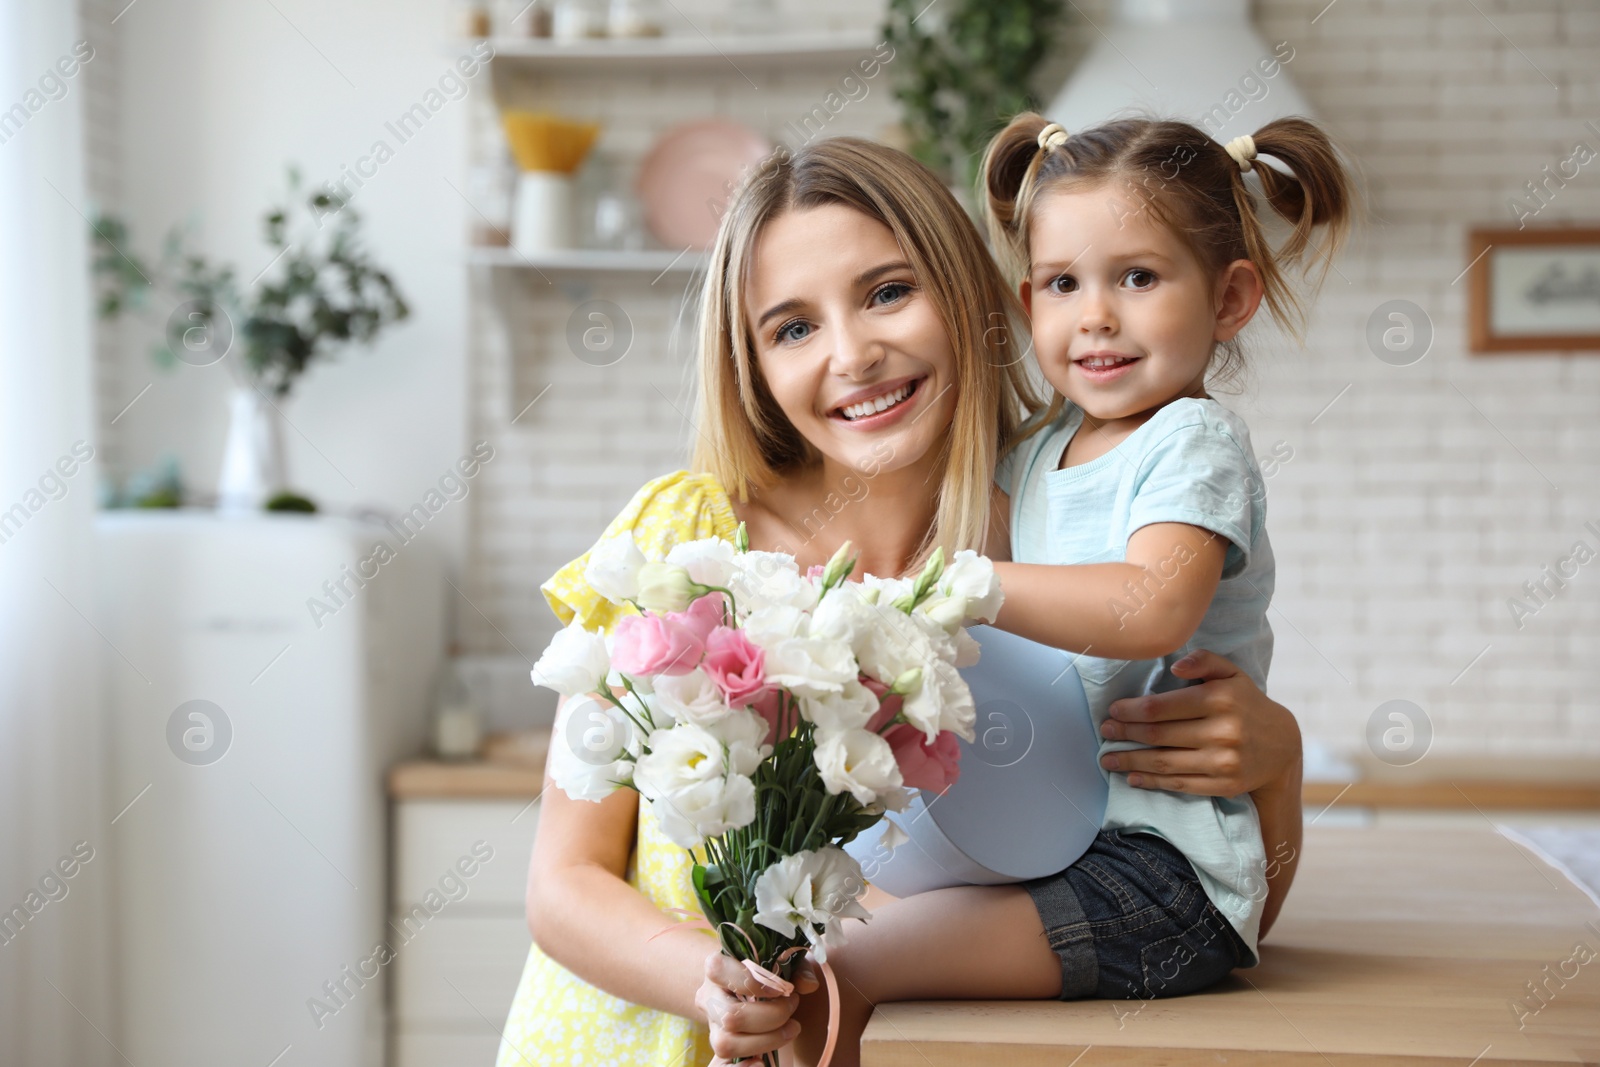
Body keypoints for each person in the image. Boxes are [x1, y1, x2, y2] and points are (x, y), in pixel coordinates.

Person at [495, 136, 1306, 1067]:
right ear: (751, 362)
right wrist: (705, 977)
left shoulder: (1031, 548)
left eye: (888, 292)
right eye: (792, 327)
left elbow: (1174, 931)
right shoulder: (684, 544)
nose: (854, 354)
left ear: (971, 294)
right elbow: (563, 881)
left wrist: (1275, 772)